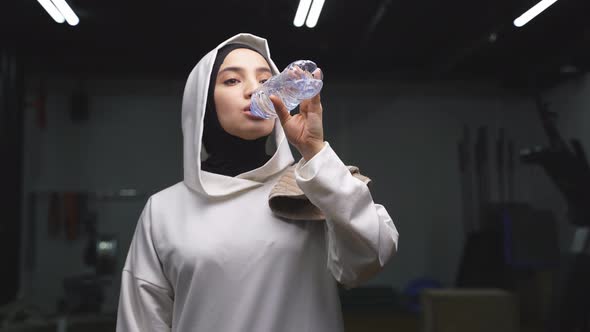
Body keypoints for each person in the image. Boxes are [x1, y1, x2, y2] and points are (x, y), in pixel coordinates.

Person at [116, 33, 399, 332]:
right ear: (202, 104)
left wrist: (315, 152)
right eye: (232, 81)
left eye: (265, 79)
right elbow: (142, 321)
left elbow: (372, 255)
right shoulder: (165, 209)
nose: (255, 89)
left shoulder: (312, 187)